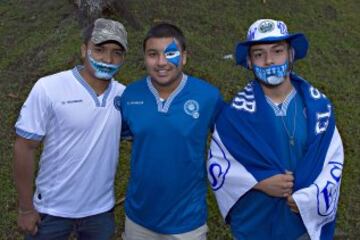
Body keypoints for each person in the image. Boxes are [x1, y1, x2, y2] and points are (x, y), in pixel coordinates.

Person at [207, 19, 344, 240]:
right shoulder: (235, 116)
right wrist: (260, 182)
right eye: (259, 54)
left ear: (291, 55)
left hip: (302, 226)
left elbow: (332, 159)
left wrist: (309, 200)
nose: (269, 60)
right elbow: (220, 165)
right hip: (257, 225)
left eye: (277, 51)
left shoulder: (319, 108)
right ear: (250, 62)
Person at [13, 18, 128, 239]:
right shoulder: (49, 87)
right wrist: (26, 208)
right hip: (51, 211)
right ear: (84, 49)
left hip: (100, 212)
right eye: (99, 49)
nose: (108, 59)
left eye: (117, 52)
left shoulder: (125, 96)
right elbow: (24, 147)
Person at [120, 23, 223, 240]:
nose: (161, 62)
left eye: (171, 53)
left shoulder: (208, 97)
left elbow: (233, 144)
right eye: (153, 54)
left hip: (187, 221)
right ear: (145, 58)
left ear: (184, 56)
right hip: (139, 218)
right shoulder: (130, 95)